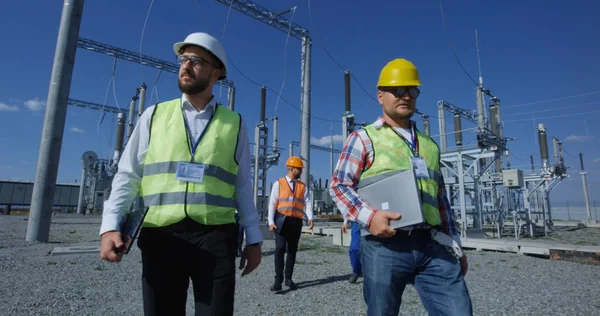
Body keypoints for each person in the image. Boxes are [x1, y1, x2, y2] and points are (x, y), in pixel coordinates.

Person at [99, 32, 263, 316]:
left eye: (196, 60)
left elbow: (242, 185)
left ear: (217, 72)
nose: (186, 65)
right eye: (183, 59)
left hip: (216, 238)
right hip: (162, 236)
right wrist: (111, 225)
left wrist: (254, 238)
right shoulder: (154, 115)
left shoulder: (234, 124)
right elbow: (128, 174)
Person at [329, 58, 472, 316]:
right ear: (380, 95)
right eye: (397, 90)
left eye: (412, 90)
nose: (405, 95)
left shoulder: (430, 145)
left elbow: (441, 200)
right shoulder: (363, 138)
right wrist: (369, 218)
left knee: (459, 311)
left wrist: (456, 243)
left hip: (434, 244)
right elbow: (339, 185)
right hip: (385, 246)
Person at [267, 156, 314, 291]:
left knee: (292, 251)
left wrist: (310, 217)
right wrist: (270, 221)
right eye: (299, 169)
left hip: (296, 222)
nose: (301, 171)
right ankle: (278, 281)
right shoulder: (279, 183)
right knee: (279, 249)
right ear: (291, 168)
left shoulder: (302, 186)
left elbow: (307, 202)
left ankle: (288, 279)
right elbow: (272, 203)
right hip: (281, 221)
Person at [341, 218, 362, 283]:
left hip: (375, 220)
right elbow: (349, 208)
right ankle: (356, 271)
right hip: (358, 221)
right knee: (354, 249)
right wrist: (345, 222)